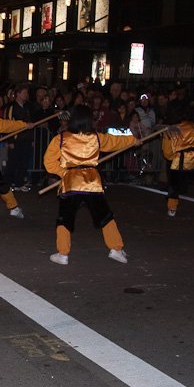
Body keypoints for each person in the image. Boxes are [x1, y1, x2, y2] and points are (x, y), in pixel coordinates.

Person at [43, 105, 140, 266]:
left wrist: (63, 173)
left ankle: (63, 253)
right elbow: (115, 142)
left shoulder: (61, 138)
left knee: (65, 218)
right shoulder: (96, 137)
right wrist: (133, 140)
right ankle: (116, 249)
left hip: (71, 182)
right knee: (105, 216)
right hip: (92, 182)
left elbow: (48, 162)